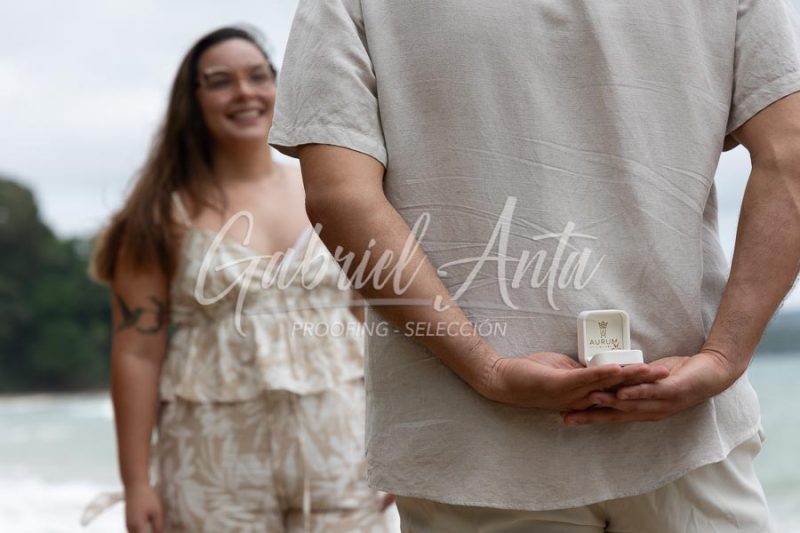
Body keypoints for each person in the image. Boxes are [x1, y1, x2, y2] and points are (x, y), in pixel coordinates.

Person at [267, 0, 800, 531]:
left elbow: (340, 198)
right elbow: (789, 158)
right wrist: (724, 356)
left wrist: (487, 368)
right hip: (686, 430)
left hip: (472, 447)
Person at [81, 26, 397, 533]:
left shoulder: (327, 192)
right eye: (221, 81)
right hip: (213, 462)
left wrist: (395, 445)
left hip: (341, 455)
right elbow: (137, 352)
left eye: (257, 76)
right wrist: (137, 482)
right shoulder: (160, 216)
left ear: (279, 86)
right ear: (194, 100)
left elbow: (372, 322)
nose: (244, 92)